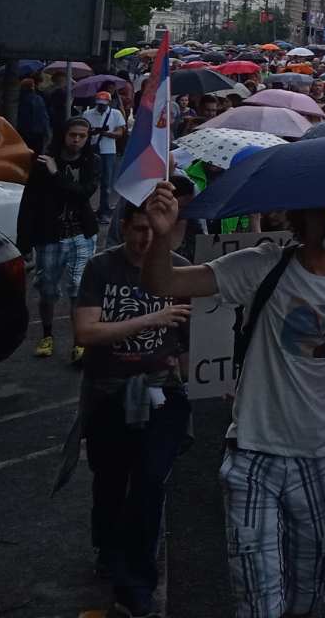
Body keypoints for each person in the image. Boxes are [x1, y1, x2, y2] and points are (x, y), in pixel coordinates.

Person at [140, 183, 325, 618]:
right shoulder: (263, 267)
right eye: (317, 211)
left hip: (321, 457)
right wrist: (162, 236)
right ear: (299, 215)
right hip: (253, 454)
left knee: (313, 593)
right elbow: (163, 281)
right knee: (258, 600)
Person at [72, 193, 192, 618]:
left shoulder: (178, 268)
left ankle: (137, 580)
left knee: (148, 481)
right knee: (110, 479)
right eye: (138, 228)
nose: (146, 238)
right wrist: (149, 320)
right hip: (110, 393)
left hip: (163, 394)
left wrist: (196, 384)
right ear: (123, 227)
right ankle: (108, 546)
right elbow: (85, 332)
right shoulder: (101, 268)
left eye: (153, 229)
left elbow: (190, 337)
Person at [18, 115, 100, 361]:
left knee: (78, 290)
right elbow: (29, 202)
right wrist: (25, 241)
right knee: (48, 289)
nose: (76, 140)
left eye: (82, 136)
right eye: (72, 135)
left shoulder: (90, 162)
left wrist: (57, 175)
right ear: (63, 135)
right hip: (50, 236)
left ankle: (80, 341)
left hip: (81, 234)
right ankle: (47, 334)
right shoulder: (44, 163)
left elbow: (83, 193)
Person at [85, 90, 129, 232]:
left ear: (109, 103)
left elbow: (120, 133)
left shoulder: (115, 114)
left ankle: (104, 211)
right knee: (88, 180)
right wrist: (93, 132)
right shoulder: (88, 114)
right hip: (92, 150)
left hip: (108, 151)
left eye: (104, 104)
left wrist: (105, 133)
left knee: (106, 183)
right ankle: (87, 210)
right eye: (99, 104)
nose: (101, 107)